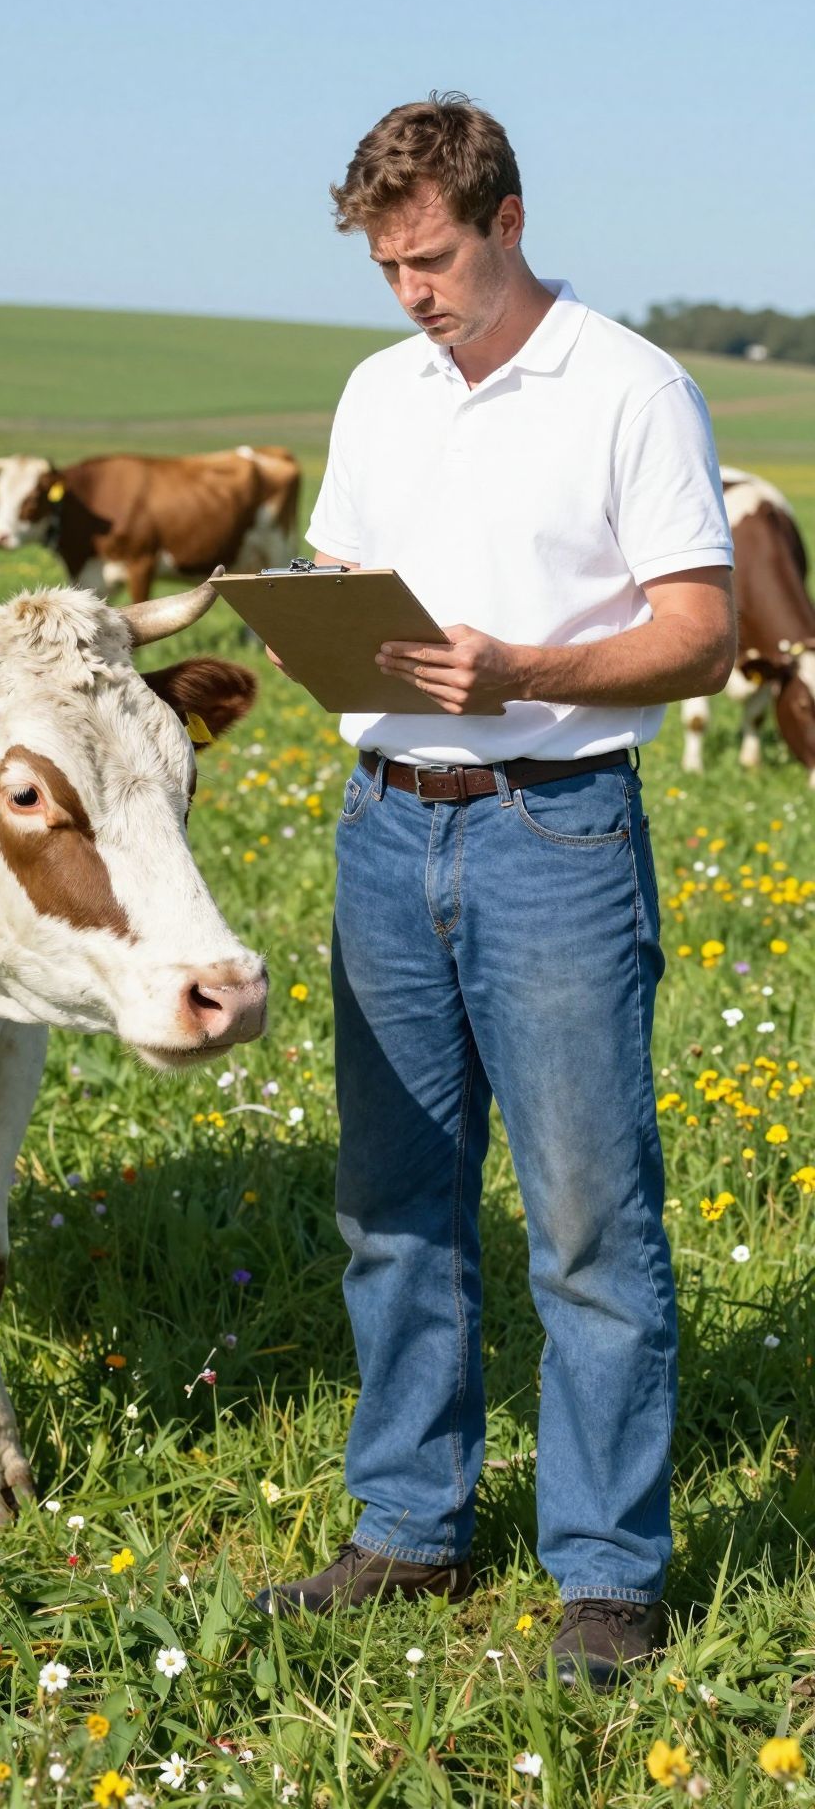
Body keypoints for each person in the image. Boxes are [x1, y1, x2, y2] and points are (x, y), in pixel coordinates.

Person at [255, 94, 736, 1687]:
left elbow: (703, 632)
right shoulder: (379, 391)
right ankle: (407, 1533)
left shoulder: (631, 390)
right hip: (384, 825)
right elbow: (346, 575)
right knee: (393, 1206)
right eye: (389, 265)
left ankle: (605, 1576)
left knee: (590, 1222)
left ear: (509, 221)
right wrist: (306, 614)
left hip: (555, 830)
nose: (414, 293)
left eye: (436, 258)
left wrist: (521, 671)